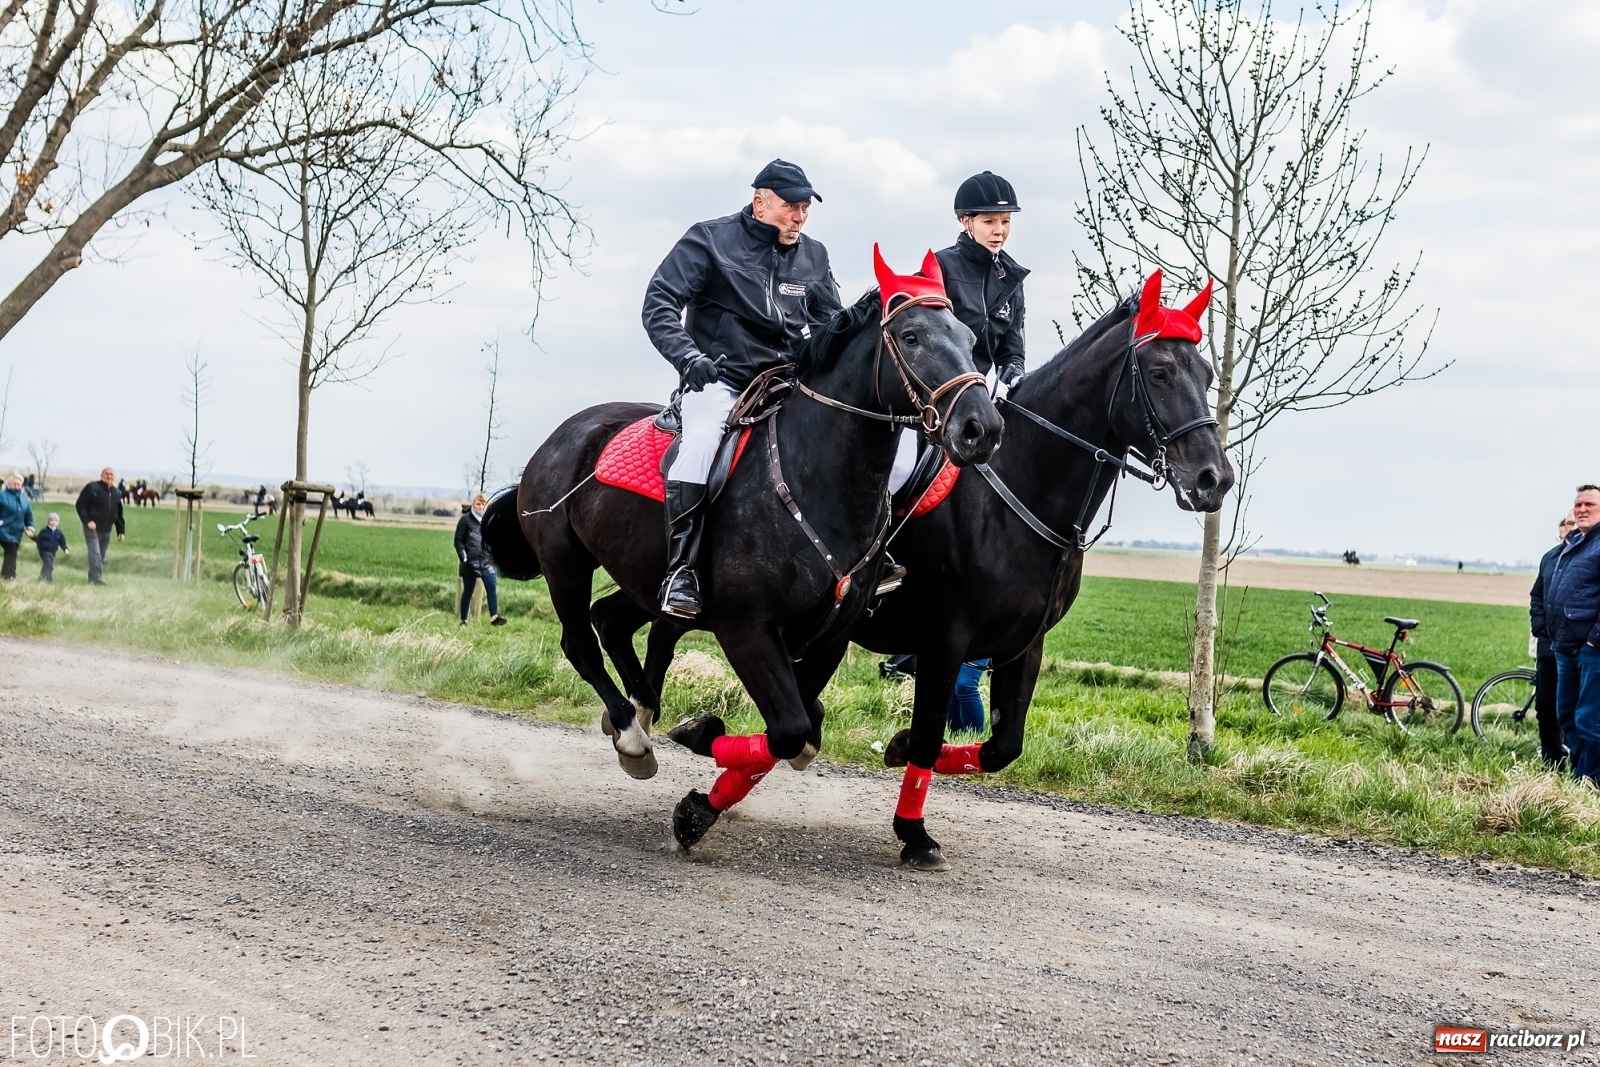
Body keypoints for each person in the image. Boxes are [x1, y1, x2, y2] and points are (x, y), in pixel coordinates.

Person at [642, 158, 842, 618]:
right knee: (701, 441)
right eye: (791, 206)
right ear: (760, 202)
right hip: (720, 381)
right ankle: (680, 571)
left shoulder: (815, 256)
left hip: (786, 383)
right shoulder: (709, 240)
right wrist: (688, 358)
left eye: (806, 208)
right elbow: (659, 303)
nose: (800, 216)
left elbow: (831, 327)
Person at [1546, 484, 1600, 786]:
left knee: (1589, 720)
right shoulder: (1575, 541)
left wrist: (1594, 639)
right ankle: (1580, 776)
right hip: (1565, 647)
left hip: (1591, 649)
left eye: (1589, 504)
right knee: (1567, 715)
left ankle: (1593, 781)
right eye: (1578, 504)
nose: (1582, 509)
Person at [1531, 512, 1578, 768]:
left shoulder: (1588, 557)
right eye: (1567, 523)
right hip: (1548, 646)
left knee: (1574, 709)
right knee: (1545, 707)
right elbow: (1537, 595)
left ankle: (1580, 767)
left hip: (1576, 648)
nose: (1571, 527)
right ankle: (1551, 763)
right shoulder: (1549, 558)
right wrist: (1539, 626)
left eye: (1575, 523)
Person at [455, 492, 506, 627]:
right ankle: (463, 620)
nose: (480, 506)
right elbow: (458, 541)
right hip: (470, 562)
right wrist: (463, 557)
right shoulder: (465, 520)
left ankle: (494, 617)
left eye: (483, 504)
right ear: (473, 504)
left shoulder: (488, 521)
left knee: (491, 587)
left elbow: (494, 539)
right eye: (478, 504)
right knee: (468, 591)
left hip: (486, 561)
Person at [74, 467, 125, 585]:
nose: (109, 476)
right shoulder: (92, 488)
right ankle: (96, 579)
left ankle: (92, 578)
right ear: (101, 476)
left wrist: (121, 531)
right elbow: (80, 505)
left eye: (111, 475)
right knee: (95, 553)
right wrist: (87, 521)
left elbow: (118, 514)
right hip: (92, 528)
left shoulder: (117, 493)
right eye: (107, 474)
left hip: (106, 529)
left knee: (100, 556)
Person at [0, 473, 35, 581]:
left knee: (11, 553)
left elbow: (28, 514)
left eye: (19, 484)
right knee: (10, 551)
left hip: (15, 532)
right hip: (2, 529)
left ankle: (7, 577)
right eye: (14, 484)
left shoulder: (24, 498)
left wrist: (30, 527)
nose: (17, 486)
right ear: (8, 484)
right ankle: (8, 577)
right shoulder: (2, 495)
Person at [34, 513, 67, 582]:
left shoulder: (59, 533)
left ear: (58, 522)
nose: (54, 522)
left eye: (56, 521)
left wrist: (65, 549)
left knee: (47, 565)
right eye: (52, 520)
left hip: (52, 552)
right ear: (48, 521)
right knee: (49, 565)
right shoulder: (44, 531)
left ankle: (41, 578)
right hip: (44, 551)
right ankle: (49, 580)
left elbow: (62, 542)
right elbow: (38, 539)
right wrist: (33, 537)